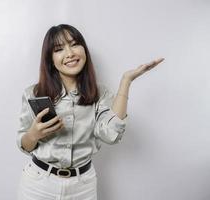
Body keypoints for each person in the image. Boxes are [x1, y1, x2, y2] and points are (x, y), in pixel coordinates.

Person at [16, 24, 164, 200]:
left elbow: (111, 135)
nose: (70, 53)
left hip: (82, 186)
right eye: (59, 49)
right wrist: (33, 134)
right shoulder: (33, 93)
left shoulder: (101, 94)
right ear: (51, 59)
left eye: (75, 44)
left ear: (84, 50)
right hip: (38, 184)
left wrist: (126, 81)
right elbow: (24, 145)